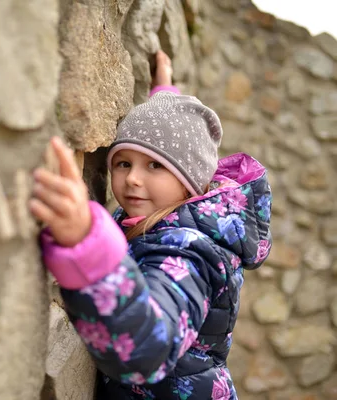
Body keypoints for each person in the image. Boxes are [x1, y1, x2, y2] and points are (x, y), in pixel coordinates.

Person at [29, 50, 272, 400]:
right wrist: (164, 94)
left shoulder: (190, 251)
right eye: (123, 163)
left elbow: (147, 348)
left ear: (191, 180)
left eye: (154, 166)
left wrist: (86, 245)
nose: (133, 180)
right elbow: (176, 146)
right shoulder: (171, 210)